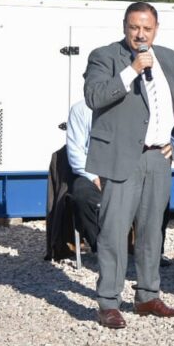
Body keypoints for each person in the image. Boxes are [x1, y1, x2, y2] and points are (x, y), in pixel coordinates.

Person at [83, 1, 174, 330]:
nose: (140, 34)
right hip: (121, 156)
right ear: (124, 27)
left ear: (156, 29)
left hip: (157, 158)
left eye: (147, 28)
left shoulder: (170, 58)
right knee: (114, 232)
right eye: (134, 27)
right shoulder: (105, 56)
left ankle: (147, 295)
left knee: (151, 231)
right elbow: (95, 96)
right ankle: (108, 301)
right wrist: (132, 68)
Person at [65, 99, 100, 252]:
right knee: (82, 196)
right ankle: (100, 245)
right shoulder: (80, 109)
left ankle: (152, 251)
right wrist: (93, 176)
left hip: (121, 169)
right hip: (89, 171)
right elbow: (75, 152)